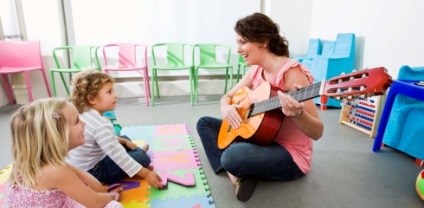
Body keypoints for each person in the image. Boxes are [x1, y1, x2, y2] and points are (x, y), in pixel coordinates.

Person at [197, 13, 324, 202]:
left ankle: (238, 169)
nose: (238, 49)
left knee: (231, 156)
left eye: (242, 42)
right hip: (262, 139)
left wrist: (298, 114)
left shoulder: (292, 74)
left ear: (262, 41)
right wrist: (226, 108)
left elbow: (317, 132)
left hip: (289, 154)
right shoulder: (256, 70)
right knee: (204, 123)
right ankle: (239, 175)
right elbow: (227, 96)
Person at [3, 98, 123, 208]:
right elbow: (96, 200)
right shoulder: (56, 171)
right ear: (57, 136)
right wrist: (111, 196)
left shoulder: (25, 165)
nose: (84, 123)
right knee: (113, 206)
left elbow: (95, 190)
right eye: (77, 121)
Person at [66, 69, 163, 189]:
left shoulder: (83, 114)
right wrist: (146, 173)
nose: (115, 95)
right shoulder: (100, 124)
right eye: (109, 92)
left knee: (124, 138)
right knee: (142, 158)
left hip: (80, 166)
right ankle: (139, 154)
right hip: (93, 172)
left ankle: (133, 151)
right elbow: (119, 157)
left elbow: (100, 139)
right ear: (92, 99)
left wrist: (123, 141)